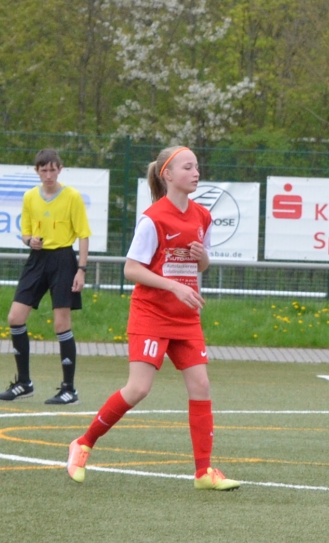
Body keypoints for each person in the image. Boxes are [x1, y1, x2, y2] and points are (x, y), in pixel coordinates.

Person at [65, 146, 237, 489]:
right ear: (167, 175)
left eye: (197, 167)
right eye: (187, 167)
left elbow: (201, 265)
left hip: (186, 317)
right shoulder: (153, 218)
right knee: (139, 388)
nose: (196, 172)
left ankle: (203, 472)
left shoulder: (203, 216)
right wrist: (173, 287)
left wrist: (202, 258)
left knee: (201, 386)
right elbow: (131, 269)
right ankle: (83, 443)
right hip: (151, 314)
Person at [0, 149, 92, 406]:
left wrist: (81, 269)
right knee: (15, 317)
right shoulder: (30, 196)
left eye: (52, 169)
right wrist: (30, 241)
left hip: (63, 260)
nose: (48, 175)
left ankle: (69, 389)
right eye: (44, 170)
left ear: (60, 169)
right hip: (37, 260)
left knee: (61, 323)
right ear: (37, 171)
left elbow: (83, 235)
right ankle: (24, 383)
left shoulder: (72, 196)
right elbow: (25, 233)